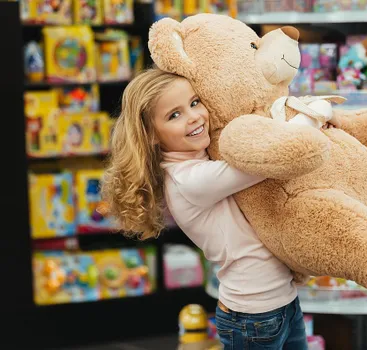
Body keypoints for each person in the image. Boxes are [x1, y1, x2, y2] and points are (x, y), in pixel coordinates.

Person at [102, 67, 336, 349]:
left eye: (194, 102)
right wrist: (316, 112)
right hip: (252, 316)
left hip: (282, 302)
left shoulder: (202, 160)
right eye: (174, 115)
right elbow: (268, 159)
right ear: (150, 134)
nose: (194, 117)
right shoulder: (188, 181)